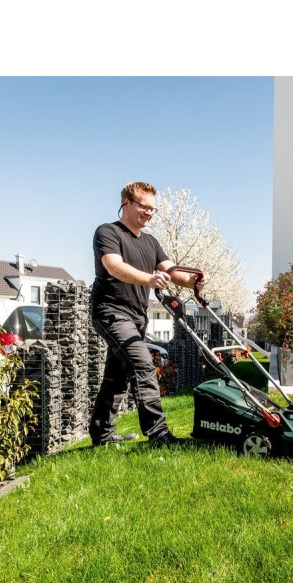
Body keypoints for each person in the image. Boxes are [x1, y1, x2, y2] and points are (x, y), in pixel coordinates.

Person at [89, 181, 201, 447]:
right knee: (142, 365)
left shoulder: (151, 242)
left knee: (116, 377)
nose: (149, 213)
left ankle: (102, 434)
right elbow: (114, 266)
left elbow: (172, 271)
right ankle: (158, 434)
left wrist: (194, 281)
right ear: (126, 203)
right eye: (144, 207)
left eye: (153, 209)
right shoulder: (108, 232)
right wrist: (149, 279)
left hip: (137, 317)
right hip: (110, 311)